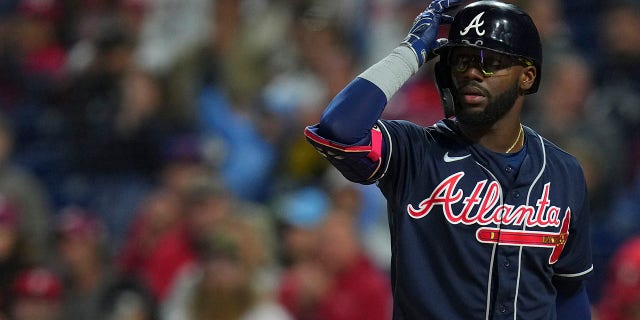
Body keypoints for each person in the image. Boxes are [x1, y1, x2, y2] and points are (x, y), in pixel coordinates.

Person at [304, 1, 593, 319]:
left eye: (489, 62)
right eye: (461, 61)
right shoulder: (414, 151)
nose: (471, 72)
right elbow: (338, 129)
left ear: (526, 76)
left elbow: (569, 290)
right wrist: (410, 52)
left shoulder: (564, 172)